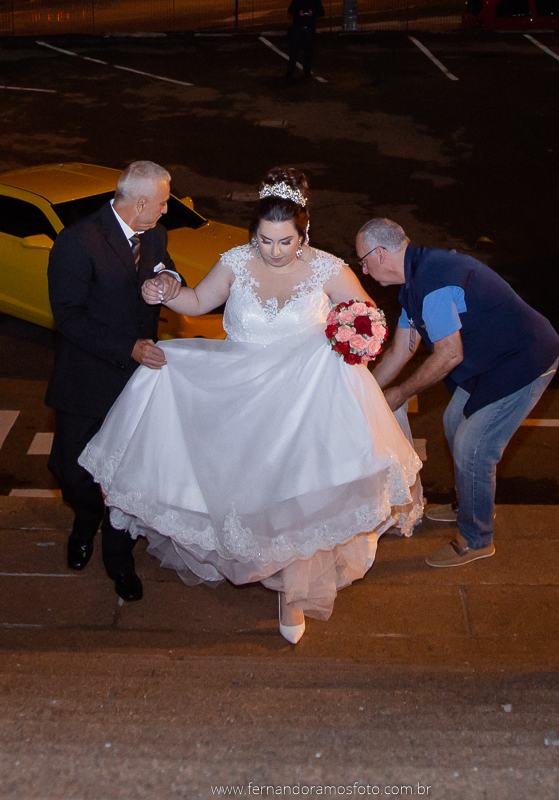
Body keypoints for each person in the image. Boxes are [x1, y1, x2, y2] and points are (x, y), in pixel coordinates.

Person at [79, 167, 422, 644]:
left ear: (304, 235)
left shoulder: (329, 269)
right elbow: (198, 301)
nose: (275, 251)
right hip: (240, 399)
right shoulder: (236, 262)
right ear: (253, 234)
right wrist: (170, 290)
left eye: (285, 242)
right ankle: (263, 564)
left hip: (305, 407)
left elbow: (369, 318)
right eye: (265, 240)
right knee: (251, 496)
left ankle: (291, 593)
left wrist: (357, 339)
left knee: (297, 500)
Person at [356, 218, 559, 569]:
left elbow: (450, 355)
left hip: (526, 359)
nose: (362, 269)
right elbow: (401, 351)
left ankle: (476, 539)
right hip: (494, 360)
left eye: (362, 260)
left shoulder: (432, 282)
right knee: (453, 421)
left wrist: (400, 393)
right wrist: (368, 393)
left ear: (379, 254)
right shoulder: (415, 279)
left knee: (474, 447)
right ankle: (469, 501)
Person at [44, 160, 183, 603]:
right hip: (85, 380)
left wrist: (168, 279)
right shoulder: (76, 242)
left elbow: (172, 272)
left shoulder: (155, 234)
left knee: (128, 476)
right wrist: (129, 346)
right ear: (140, 203)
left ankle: (119, 560)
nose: (165, 211)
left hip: (136, 386)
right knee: (72, 473)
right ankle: (86, 520)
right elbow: (68, 317)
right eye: (162, 203)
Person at [285, 0, 324, 79]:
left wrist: (313, 12)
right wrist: (298, 12)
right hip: (298, 28)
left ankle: (307, 71)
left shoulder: (315, 1)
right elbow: (290, 10)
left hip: (309, 28)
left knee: (308, 51)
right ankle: (290, 71)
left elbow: (321, 12)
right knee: (294, 51)